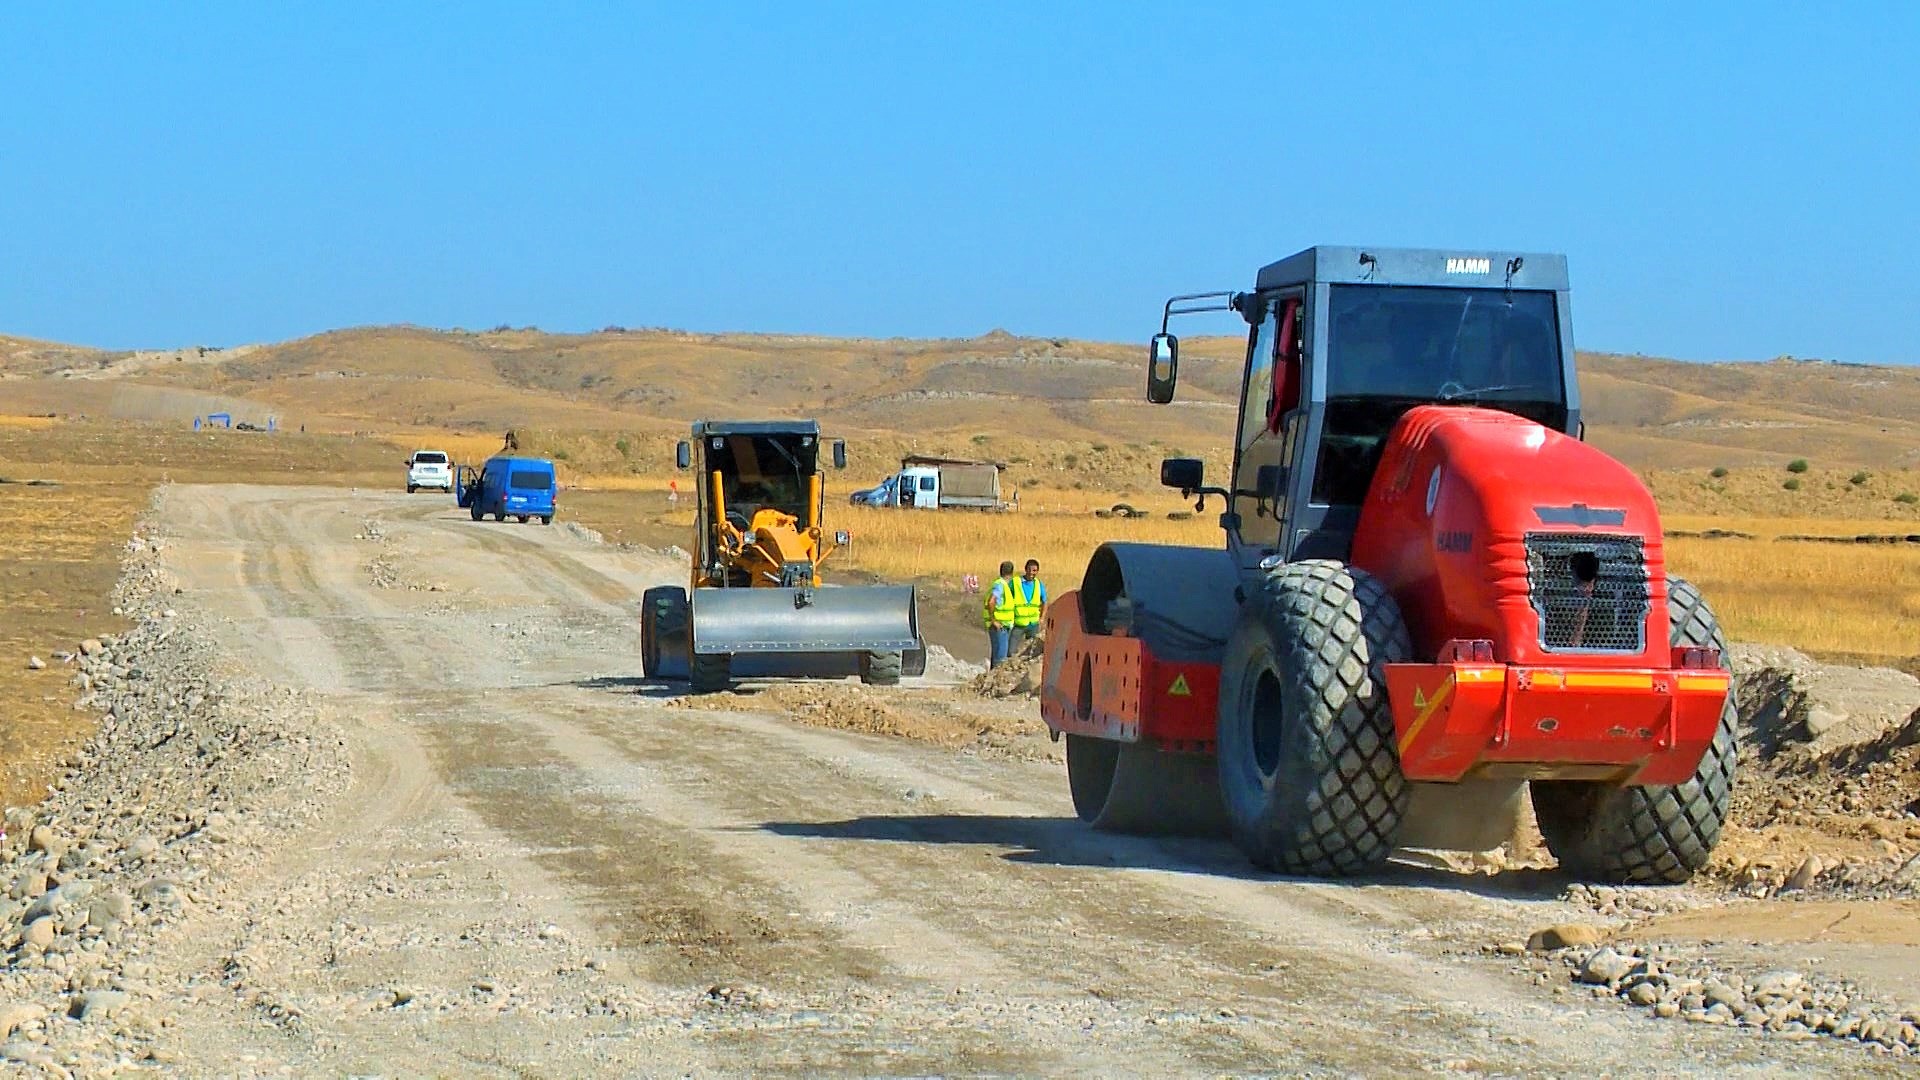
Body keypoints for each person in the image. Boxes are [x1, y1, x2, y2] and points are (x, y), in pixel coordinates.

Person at [983, 560, 1018, 668]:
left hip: (1003, 625)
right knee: (1000, 658)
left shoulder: (1001, 584)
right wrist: (994, 620)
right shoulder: (1000, 585)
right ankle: (994, 682)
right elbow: (991, 601)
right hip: (999, 626)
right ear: (1012, 572)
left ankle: (992, 681)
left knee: (997, 656)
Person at [1011, 559, 1047, 646]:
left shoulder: (1039, 584)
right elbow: (1007, 598)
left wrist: (1042, 618)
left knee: (1030, 651)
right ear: (1025, 569)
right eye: (1029, 570)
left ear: (1037, 571)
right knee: (1011, 651)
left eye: (1034, 570)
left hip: (1033, 625)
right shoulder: (1015, 582)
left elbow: (1044, 601)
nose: (1031, 573)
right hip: (1018, 624)